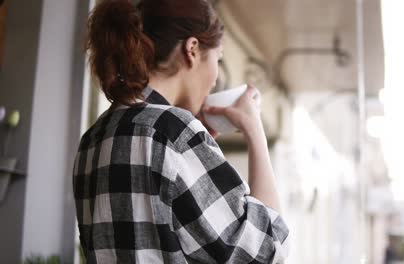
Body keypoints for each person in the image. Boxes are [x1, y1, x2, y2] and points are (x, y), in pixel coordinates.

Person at [72, 0, 289, 263]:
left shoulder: (92, 139)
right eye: (218, 60)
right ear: (193, 49)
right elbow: (267, 251)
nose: (215, 77)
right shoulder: (175, 134)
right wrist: (255, 131)